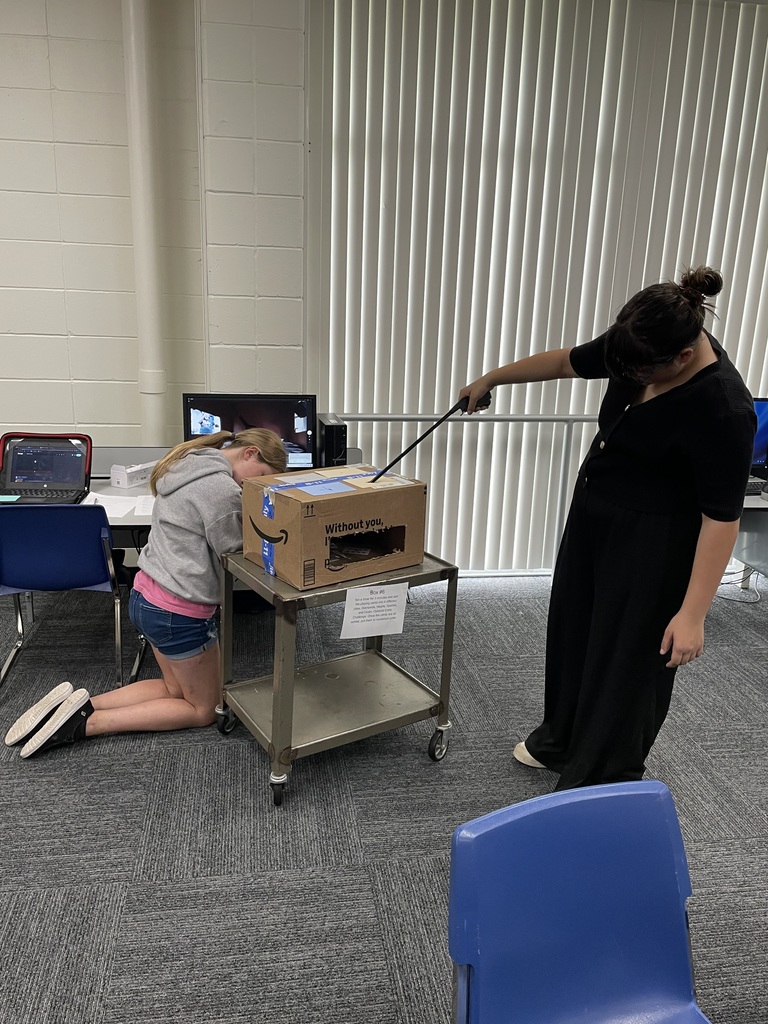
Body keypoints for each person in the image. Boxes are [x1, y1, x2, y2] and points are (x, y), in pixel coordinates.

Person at [459, 266, 756, 790]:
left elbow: (721, 519)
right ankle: (562, 740)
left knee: (627, 662)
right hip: (596, 515)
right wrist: (491, 379)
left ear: (683, 357)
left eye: (640, 374)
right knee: (574, 632)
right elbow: (562, 362)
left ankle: (602, 777)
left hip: (655, 543)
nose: (628, 378)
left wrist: (692, 615)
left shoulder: (724, 408)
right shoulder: (637, 345)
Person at [5, 428, 287, 759]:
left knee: (173, 689)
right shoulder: (221, 489)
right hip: (178, 612)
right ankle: (82, 725)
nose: (254, 487)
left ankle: (78, 705)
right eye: (264, 477)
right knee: (204, 709)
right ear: (251, 453)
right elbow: (237, 551)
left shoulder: (188, 463)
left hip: (146, 597)